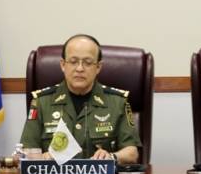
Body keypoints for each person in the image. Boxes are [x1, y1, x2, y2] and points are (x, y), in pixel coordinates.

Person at [20, 34, 141, 164]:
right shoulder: (42, 102)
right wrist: (41, 158)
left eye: (88, 63)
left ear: (98, 67)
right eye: (73, 62)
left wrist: (111, 157)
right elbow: (26, 152)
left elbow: (132, 153)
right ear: (62, 65)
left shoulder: (117, 102)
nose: (79, 68)